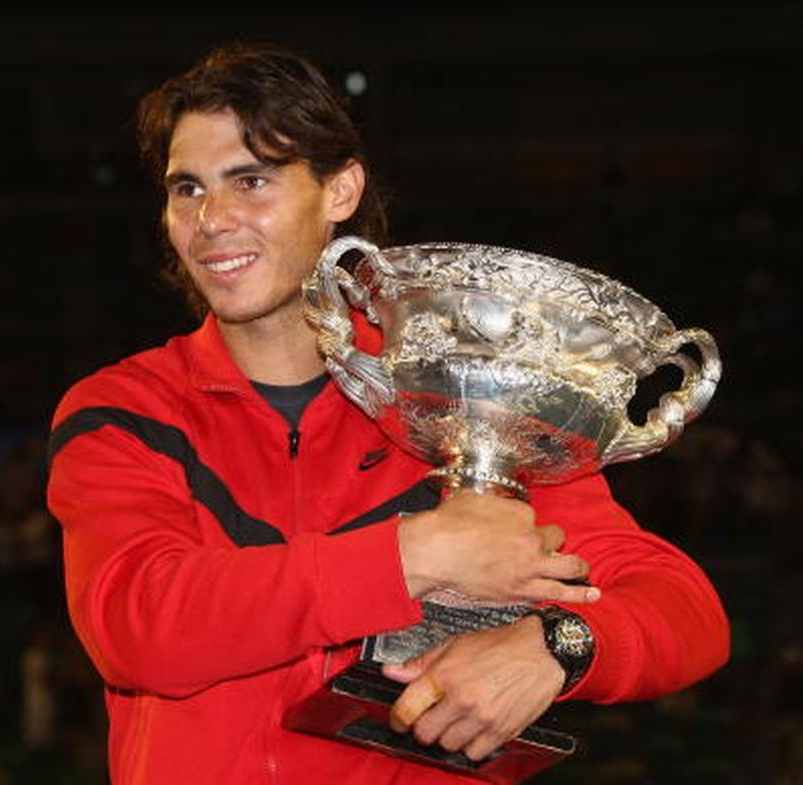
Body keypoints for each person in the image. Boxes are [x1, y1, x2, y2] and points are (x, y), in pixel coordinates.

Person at [45, 42, 729, 784]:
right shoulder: (125, 407)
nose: (211, 219)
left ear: (340, 191)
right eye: (187, 188)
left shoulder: (470, 404)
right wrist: (420, 553)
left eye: (252, 180)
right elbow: (140, 627)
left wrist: (559, 647)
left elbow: (687, 614)